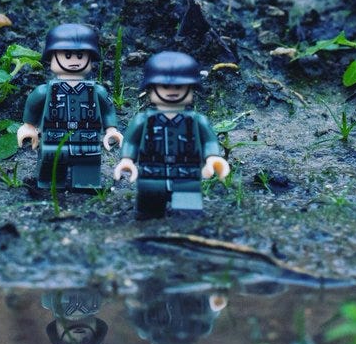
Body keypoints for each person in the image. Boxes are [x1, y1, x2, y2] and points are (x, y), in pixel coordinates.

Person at [113, 51, 229, 217]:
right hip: (152, 173)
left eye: (179, 87)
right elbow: (131, 142)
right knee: (149, 211)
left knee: (188, 213)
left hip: (186, 174)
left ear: (191, 88)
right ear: (151, 88)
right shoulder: (143, 120)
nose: (172, 91)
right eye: (165, 86)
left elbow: (209, 141)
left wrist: (212, 158)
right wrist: (127, 159)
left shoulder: (197, 120)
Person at [18, 23, 122, 192]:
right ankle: (49, 185)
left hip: (87, 139)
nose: (74, 61)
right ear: (52, 57)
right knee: (52, 164)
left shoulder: (96, 91)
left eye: (80, 55)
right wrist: (29, 126)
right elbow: (32, 105)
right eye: (67, 55)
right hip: (54, 138)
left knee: (88, 164)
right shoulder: (45, 91)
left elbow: (107, 110)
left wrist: (111, 130)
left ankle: (86, 185)